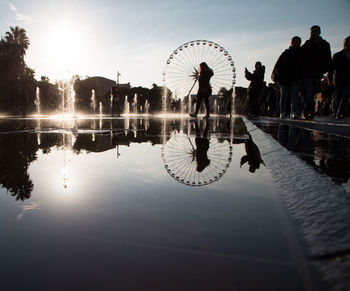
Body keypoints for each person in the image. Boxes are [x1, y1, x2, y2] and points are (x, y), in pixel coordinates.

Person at [301, 25, 332, 120]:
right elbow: (301, 59)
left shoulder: (325, 44)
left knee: (312, 93)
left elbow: (328, 58)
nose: (313, 33)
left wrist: (325, 69)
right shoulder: (307, 44)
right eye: (312, 32)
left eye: (315, 31)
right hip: (307, 73)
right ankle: (308, 112)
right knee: (309, 93)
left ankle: (308, 111)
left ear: (319, 32)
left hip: (318, 73)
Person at [272, 36, 302, 119]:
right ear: (292, 43)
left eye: (297, 42)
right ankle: (284, 112)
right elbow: (278, 66)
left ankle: (290, 112)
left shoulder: (299, 53)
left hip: (294, 78)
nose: (296, 43)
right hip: (285, 79)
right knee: (286, 96)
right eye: (294, 42)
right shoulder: (286, 53)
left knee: (293, 96)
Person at [329, 36, 350, 119]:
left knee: (345, 95)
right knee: (338, 97)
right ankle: (336, 111)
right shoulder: (337, 55)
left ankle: (339, 112)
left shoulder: (337, 55)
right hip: (338, 79)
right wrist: (330, 78)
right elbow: (331, 69)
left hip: (348, 80)